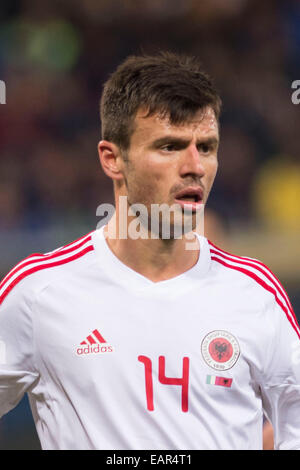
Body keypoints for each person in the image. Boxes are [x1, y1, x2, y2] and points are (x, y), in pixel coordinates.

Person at [0, 52, 299, 450]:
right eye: (170, 146)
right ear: (112, 159)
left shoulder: (256, 293)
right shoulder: (40, 292)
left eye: (206, 147)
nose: (194, 166)